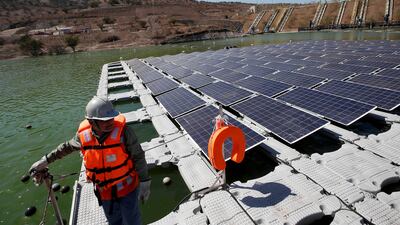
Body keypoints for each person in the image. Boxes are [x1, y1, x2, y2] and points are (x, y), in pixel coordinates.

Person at [29, 96, 151, 225]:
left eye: (111, 118)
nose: (110, 122)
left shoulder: (125, 132)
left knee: (132, 221)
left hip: (127, 188)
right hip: (104, 192)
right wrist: (45, 160)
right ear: (91, 121)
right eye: (104, 120)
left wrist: (145, 181)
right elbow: (66, 148)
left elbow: (138, 156)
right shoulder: (83, 135)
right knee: (114, 222)